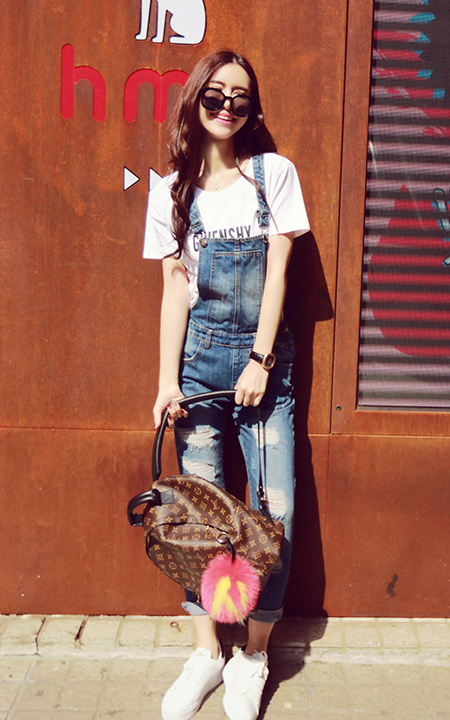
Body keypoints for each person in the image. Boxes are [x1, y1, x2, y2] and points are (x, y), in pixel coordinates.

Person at [143, 49, 309, 720]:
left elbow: (279, 271)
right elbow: (174, 291)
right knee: (198, 520)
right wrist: (167, 382)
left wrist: (260, 359)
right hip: (199, 368)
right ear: (195, 100)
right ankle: (208, 652)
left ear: (252, 109)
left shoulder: (273, 175)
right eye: (215, 94)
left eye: (240, 97)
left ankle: (252, 656)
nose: (227, 107)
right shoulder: (170, 190)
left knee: (274, 512)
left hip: (263, 368)